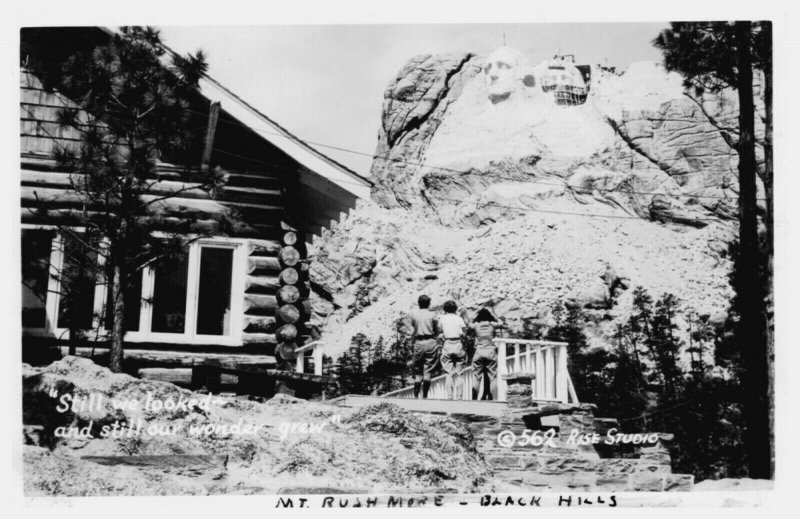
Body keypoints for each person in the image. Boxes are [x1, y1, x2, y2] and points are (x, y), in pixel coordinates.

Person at [408, 294, 440, 398]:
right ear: (428, 304)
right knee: (428, 370)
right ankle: (425, 396)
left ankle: (416, 396)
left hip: (418, 343)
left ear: (419, 304)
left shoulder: (414, 315)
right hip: (430, 342)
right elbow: (437, 329)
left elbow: (413, 326)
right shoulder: (433, 314)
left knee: (418, 370)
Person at [469, 307, 502, 400]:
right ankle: (495, 399)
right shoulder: (492, 324)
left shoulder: (476, 325)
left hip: (479, 351)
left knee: (476, 377)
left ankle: (474, 399)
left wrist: (476, 311)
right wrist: (493, 314)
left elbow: (469, 323)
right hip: (490, 351)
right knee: (493, 378)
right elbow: (501, 323)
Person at [438, 300, 468, 400]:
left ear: (445, 309)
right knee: (460, 373)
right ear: (455, 309)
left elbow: (439, 330)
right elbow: (464, 332)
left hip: (447, 344)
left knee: (448, 372)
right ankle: (459, 397)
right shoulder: (459, 318)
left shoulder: (442, 319)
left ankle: (450, 397)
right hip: (458, 344)